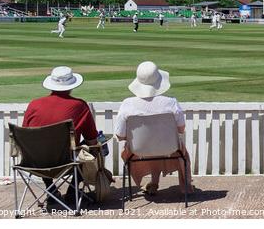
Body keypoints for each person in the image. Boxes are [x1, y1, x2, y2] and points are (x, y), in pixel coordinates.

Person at [114, 61, 194, 195]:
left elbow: (120, 135)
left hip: (138, 149)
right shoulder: (171, 103)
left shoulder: (127, 104)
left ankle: (153, 182)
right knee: (167, 147)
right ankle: (184, 185)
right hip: (170, 147)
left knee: (150, 145)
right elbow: (181, 128)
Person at [23, 66, 99, 206]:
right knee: (93, 149)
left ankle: (50, 188)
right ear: (71, 85)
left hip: (35, 163)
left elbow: (25, 135)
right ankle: (73, 190)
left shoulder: (34, 104)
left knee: (44, 148)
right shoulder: (79, 105)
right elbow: (92, 139)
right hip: (66, 162)